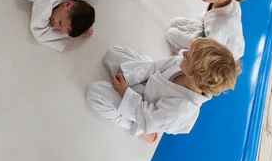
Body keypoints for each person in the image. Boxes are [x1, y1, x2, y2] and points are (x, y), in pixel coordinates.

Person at [87, 39, 239, 143]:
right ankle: (128, 88)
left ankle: (139, 128)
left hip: (144, 112)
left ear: (195, 74)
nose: (184, 52)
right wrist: (129, 78)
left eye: (189, 55)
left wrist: (125, 92)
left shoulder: (182, 111)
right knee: (113, 53)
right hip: (146, 84)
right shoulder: (181, 64)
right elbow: (153, 67)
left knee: (96, 92)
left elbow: (148, 115)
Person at [166, 0, 245, 60]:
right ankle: (196, 35)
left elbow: (209, 51)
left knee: (171, 35)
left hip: (215, 48)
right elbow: (206, 18)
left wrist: (182, 53)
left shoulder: (221, 25)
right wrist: (194, 28)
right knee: (175, 22)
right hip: (206, 31)